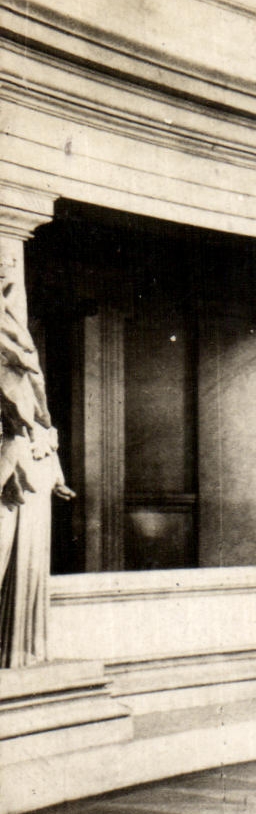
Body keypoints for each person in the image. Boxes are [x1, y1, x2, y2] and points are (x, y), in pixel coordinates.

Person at [0, 249, 75, 667]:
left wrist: (53, 465)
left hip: (30, 463)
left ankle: (19, 652)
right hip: (12, 464)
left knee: (23, 565)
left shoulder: (18, 345)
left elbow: (37, 414)